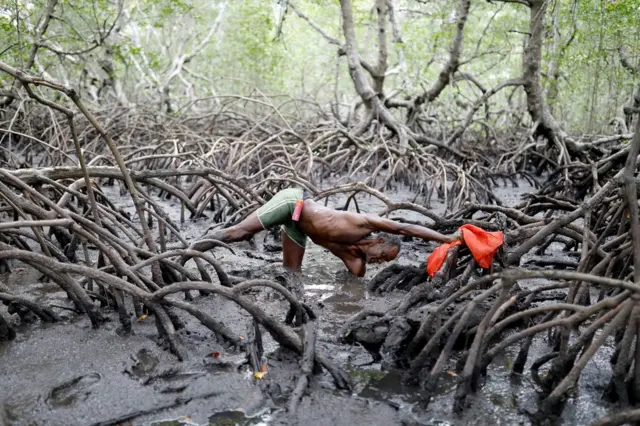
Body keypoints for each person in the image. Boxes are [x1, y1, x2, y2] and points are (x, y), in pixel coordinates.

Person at [193, 188, 460, 277]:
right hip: (294, 203)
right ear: (379, 240)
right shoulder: (363, 223)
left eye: (385, 262)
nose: (380, 261)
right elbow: (405, 227)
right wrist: (446, 239)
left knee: (293, 277)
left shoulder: (356, 263)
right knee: (240, 233)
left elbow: (354, 284)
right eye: (384, 254)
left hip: (297, 227)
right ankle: (187, 252)